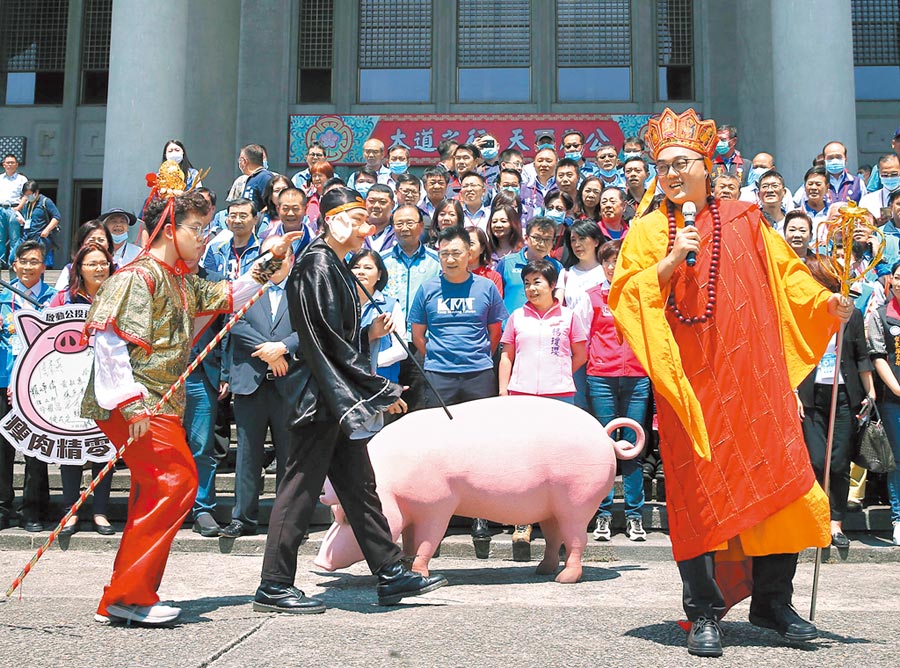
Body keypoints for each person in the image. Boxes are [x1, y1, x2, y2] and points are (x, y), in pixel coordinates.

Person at [609, 108, 852, 657]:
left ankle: (773, 602)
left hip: (752, 383)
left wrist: (826, 304)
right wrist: (672, 260)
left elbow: (789, 278)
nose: (672, 174)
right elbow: (626, 296)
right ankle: (703, 611)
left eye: (682, 163)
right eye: (663, 166)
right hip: (690, 390)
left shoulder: (745, 219)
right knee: (696, 497)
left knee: (782, 486)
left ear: (707, 166)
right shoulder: (648, 230)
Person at [80, 188, 299, 625]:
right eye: (196, 228)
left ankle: (122, 595)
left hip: (157, 403)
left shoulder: (179, 279)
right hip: (138, 402)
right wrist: (131, 406)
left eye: (205, 227)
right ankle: (130, 596)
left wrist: (271, 258)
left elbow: (230, 295)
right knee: (174, 483)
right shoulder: (136, 277)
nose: (204, 237)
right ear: (167, 229)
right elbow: (108, 341)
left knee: (159, 489)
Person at [255, 186, 446, 614]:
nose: (367, 229)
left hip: (334, 397)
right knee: (299, 489)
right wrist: (371, 386)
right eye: (358, 220)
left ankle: (390, 571)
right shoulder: (317, 264)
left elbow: (337, 339)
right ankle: (274, 584)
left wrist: (362, 381)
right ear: (334, 220)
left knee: (360, 487)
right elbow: (323, 340)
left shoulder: (331, 264)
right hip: (320, 398)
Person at [221, 238, 299, 540]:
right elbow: (235, 322)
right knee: (247, 454)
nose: (275, 262)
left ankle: (286, 521)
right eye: (269, 256)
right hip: (250, 382)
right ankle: (243, 518)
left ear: (291, 259)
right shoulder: (248, 287)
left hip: (288, 383)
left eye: (281, 256)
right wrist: (268, 352)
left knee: (289, 455)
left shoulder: (301, 290)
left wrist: (283, 348)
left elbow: (309, 328)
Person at [797, 258, 874, 550]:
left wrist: (870, 392)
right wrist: (793, 391)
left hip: (843, 395)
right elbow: (791, 355)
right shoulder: (803, 314)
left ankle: (835, 522)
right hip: (812, 394)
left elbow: (861, 354)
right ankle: (815, 518)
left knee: (839, 462)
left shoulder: (850, 315)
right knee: (817, 461)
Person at [49, 243, 116, 536]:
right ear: (79, 268)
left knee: (104, 446)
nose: (99, 268)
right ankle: (70, 511)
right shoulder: (64, 298)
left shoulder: (121, 295)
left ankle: (100, 511)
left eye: (104, 263)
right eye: (92, 264)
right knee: (71, 445)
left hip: (109, 381)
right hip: (71, 382)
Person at [586, 240, 649, 543]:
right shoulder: (592, 297)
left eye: (618, 260)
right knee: (605, 447)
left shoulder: (641, 293)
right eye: (607, 262)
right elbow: (584, 337)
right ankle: (604, 514)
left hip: (637, 377)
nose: (612, 267)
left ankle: (635, 515)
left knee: (633, 447)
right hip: (601, 377)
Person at [0, 241, 56, 532]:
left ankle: (33, 508)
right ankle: (2, 505)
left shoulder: (53, 299)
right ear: (15, 265)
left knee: (36, 445)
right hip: (3, 378)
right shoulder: (2, 296)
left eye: (34, 261)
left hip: (38, 383)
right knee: (2, 447)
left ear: (44, 267)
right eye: (23, 261)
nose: (28, 266)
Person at [382, 204, 440, 412]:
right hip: (388, 341)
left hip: (421, 342)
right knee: (388, 402)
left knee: (419, 403)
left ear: (421, 226)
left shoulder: (437, 261)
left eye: (409, 223)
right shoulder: (381, 261)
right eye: (399, 223)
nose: (404, 228)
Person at [865, 260, 900, 547]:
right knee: (898, 460)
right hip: (893, 399)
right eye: (898, 277)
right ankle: (899, 518)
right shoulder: (880, 315)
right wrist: (898, 389)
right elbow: (877, 356)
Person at [349, 249, 407, 381]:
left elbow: (402, 350)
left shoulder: (391, 305)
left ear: (379, 274)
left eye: (368, 268)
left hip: (382, 380)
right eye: (356, 267)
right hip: (348, 380)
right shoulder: (341, 303)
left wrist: (367, 362)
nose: (361, 272)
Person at [497, 217, 563, 318]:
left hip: (543, 324)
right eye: (537, 238)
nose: (541, 244)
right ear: (526, 238)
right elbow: (495, 299)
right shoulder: (507, 263)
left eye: (547, 239)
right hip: (509, 325)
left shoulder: (557, 267)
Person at [55, 220, 114, 291]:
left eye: (101, 240)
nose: (96, 243)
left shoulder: (118, 269)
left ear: (108, 244)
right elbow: (59, 293)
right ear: (81, 244)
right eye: (91, 240)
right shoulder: (70, 269)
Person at [17, 181, 60, 267]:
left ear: (36, 192)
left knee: (37, 262)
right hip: (26, 236)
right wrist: (22, 221)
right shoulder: (27, 204)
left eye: (30, 194)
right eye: (26, 195)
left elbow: (56, 217)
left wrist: (47, 230)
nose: (28, 197)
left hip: (40, 237)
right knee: (14, 257)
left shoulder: (45, 202)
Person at [0, 154, 27, 268]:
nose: (10, 165)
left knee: (14, 237)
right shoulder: (0, 178)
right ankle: (0, 261)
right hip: (1, 209)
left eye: (12, 162)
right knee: (0, 238)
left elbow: (26, 195)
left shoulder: (22, 179)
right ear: (3, 164)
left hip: (14, 209)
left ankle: (13, 262)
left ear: (16, 165)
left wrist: (19, 207)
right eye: (8, 162)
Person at [467, 227, 504, 295]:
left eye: (471, 243)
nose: (466, 247)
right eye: (462, 243)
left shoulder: (493, 277)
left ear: (482, 248)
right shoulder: (451, 275)